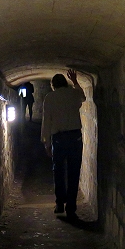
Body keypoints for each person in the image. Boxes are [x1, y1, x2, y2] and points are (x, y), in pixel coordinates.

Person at [41, 69, 86, 219]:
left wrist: (46, 142)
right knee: (74, 172)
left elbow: (47, 120)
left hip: (59, 138)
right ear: (65, 83)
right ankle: (71, 207)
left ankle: (60, 203)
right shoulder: (73, 94)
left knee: (58, 171)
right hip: (75, 137)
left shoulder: (50, 97)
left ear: (53, 85)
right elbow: (83, 97)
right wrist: (75, 82)